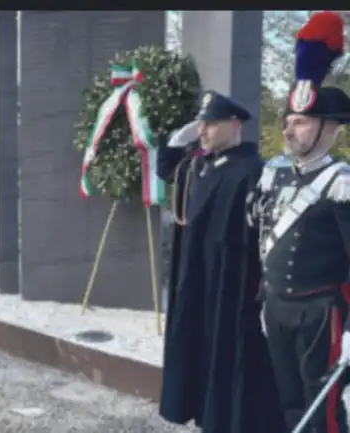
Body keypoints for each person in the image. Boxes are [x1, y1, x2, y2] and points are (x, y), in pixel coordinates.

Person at [157, 91, 285, 433]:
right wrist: (177, 139)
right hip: (197, 274)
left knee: (229, 357)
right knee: (197, 347)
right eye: (202, 124)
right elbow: (166, 170)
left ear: (234, 125)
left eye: (211, 124)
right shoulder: (203, 163)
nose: (203, 132)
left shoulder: (253, 170)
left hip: (231, 280)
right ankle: (202, 411)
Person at [247, 11, 350, 432]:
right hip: (277, 305)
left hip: (320, 312)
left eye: (300, 121)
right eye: (287, 121)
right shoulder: (274, 173)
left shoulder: (341, 183)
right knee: (287, 397)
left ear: (330, 130)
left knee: (321, 404)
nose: (289, 129)